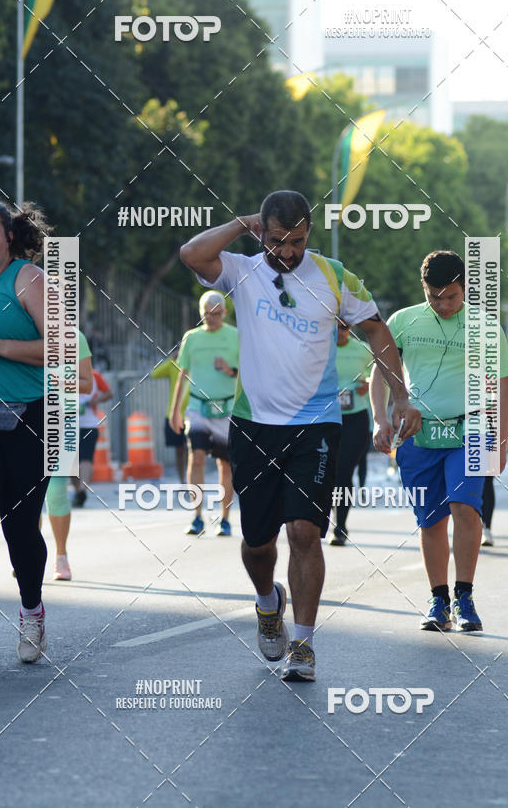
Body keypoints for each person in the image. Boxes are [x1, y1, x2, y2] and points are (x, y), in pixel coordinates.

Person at [180, 190, 419, 681]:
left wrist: (398, 395)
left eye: (298, 241)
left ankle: (304, 646)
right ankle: (269, 603)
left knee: (305, 532)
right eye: (276, 241)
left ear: (310, 234)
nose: (288, 252)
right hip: (254, 425)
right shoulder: (241, 269)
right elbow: (191, 255)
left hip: (316, 424)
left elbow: (376, 331)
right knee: (257, 542)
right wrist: (243, 223)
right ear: (261, 232)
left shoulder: (334, 275)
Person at [372, 250, 508, 633]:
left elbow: (502, 385)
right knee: (431, 519)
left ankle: (465, 595)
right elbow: (382, 373)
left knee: (465, 508)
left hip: (472, 429)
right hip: (417, 434)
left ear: (464, 287)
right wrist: (380, 418)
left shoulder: (484, 326)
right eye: (435, 296)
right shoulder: (403, 321)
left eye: (450, 296)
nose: (443, 304)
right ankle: (439, 600)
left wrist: (500, 439)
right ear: (424, 288)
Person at [0, 197, 51, 673]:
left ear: (8, 237)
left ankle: (32, 610)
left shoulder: (28, 278)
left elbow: (61, 345)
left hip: (28, 421)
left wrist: (0, 346)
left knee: (19, 529)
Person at [170, 291, 238, 536]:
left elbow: (248, 373)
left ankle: (225, 518)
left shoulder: (235, 336)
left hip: (227, 408)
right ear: (201, 313)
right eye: (207, 314)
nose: (212, 318)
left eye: (217, 314)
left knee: (225, 465)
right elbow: (183, 374)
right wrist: (175, 411)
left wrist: (230, 370)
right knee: (196, 457)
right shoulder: (192, 337)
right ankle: (197, 516)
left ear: (225, 313)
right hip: (198, 407)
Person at [45, 330, 94, 581]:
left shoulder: (75, 337)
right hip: (21, 422)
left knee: (55, 492)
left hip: (62, 424)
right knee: (23, 496)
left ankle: (60, 555)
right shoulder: (18, 330)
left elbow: (88, 384)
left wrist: (58, 381)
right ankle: (27, 552)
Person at [329, 319, 372, 545]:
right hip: (325, 418)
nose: (340, 331)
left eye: (344, 327)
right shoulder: (321, 348)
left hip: (355, 417)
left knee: (343, 472)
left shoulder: (362, 350)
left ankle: (341, 526)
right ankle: (319, 520)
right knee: (326, 472)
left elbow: (376, 375)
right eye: (335, 326)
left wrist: (368, 383)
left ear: (351, 328)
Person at [481, 373, 508, 547]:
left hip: (489, 430)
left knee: (486, 482)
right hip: (463, 429)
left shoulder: (493, 358)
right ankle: (470, 526)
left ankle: (486, 528)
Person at [70, 368, 113, 506]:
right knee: (81, 461)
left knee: (79, 461)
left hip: (86, 424)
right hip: (73, 424)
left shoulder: (94, 375)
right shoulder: (65, 374)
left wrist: (94, 401)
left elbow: (109, 393)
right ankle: (80, 490)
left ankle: (80, 490)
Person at [150, 351, 187, 483]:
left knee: (195, 450)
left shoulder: (196, 364)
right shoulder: (173, 365)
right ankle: (183, 480)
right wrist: (171, 359)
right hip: (175, 415)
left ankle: (192, 477)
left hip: (193, 414)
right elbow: (155, 374)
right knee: (179, 450)